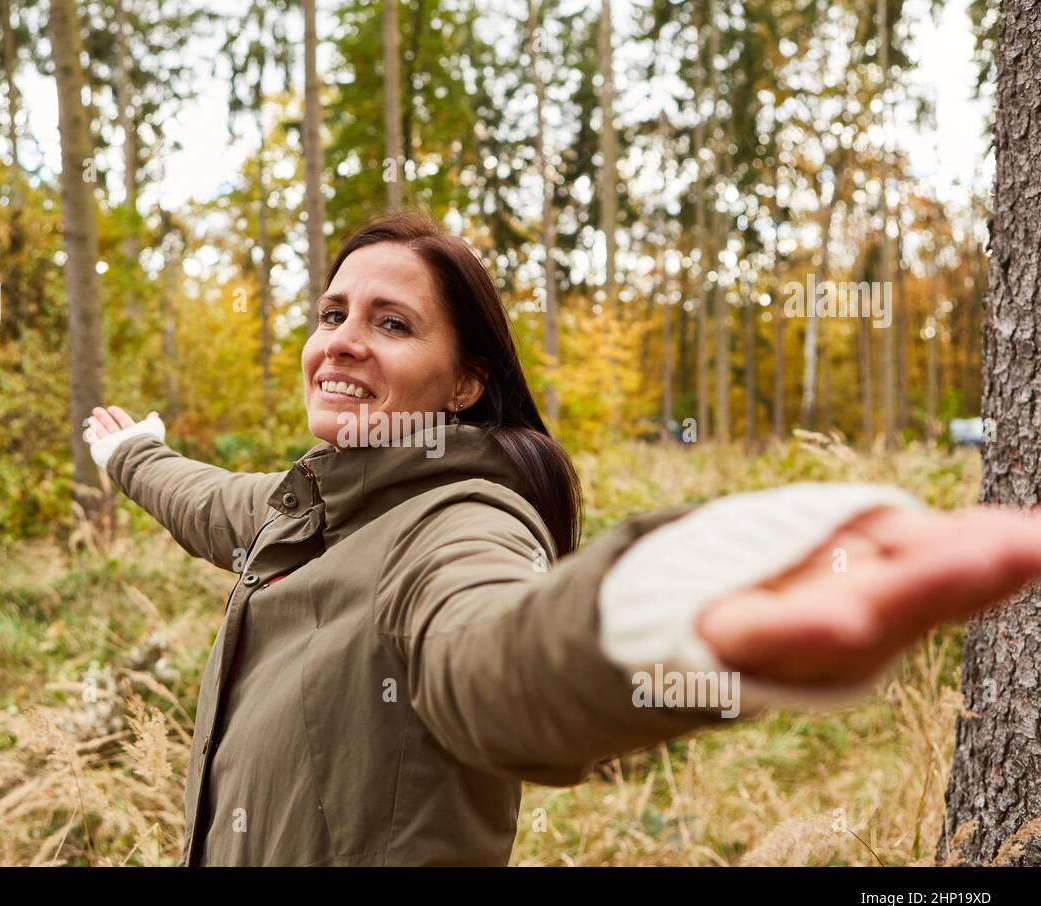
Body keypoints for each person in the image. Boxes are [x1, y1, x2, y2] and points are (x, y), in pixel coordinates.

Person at [84, 211, 1041, 866]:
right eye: (332, 314)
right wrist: (133, 456)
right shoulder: (312, 505)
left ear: (464, 382)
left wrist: (649, 620)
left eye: (391, 323)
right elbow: (209, 503)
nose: (340, 341)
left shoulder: (459, 524)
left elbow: (494, 655)